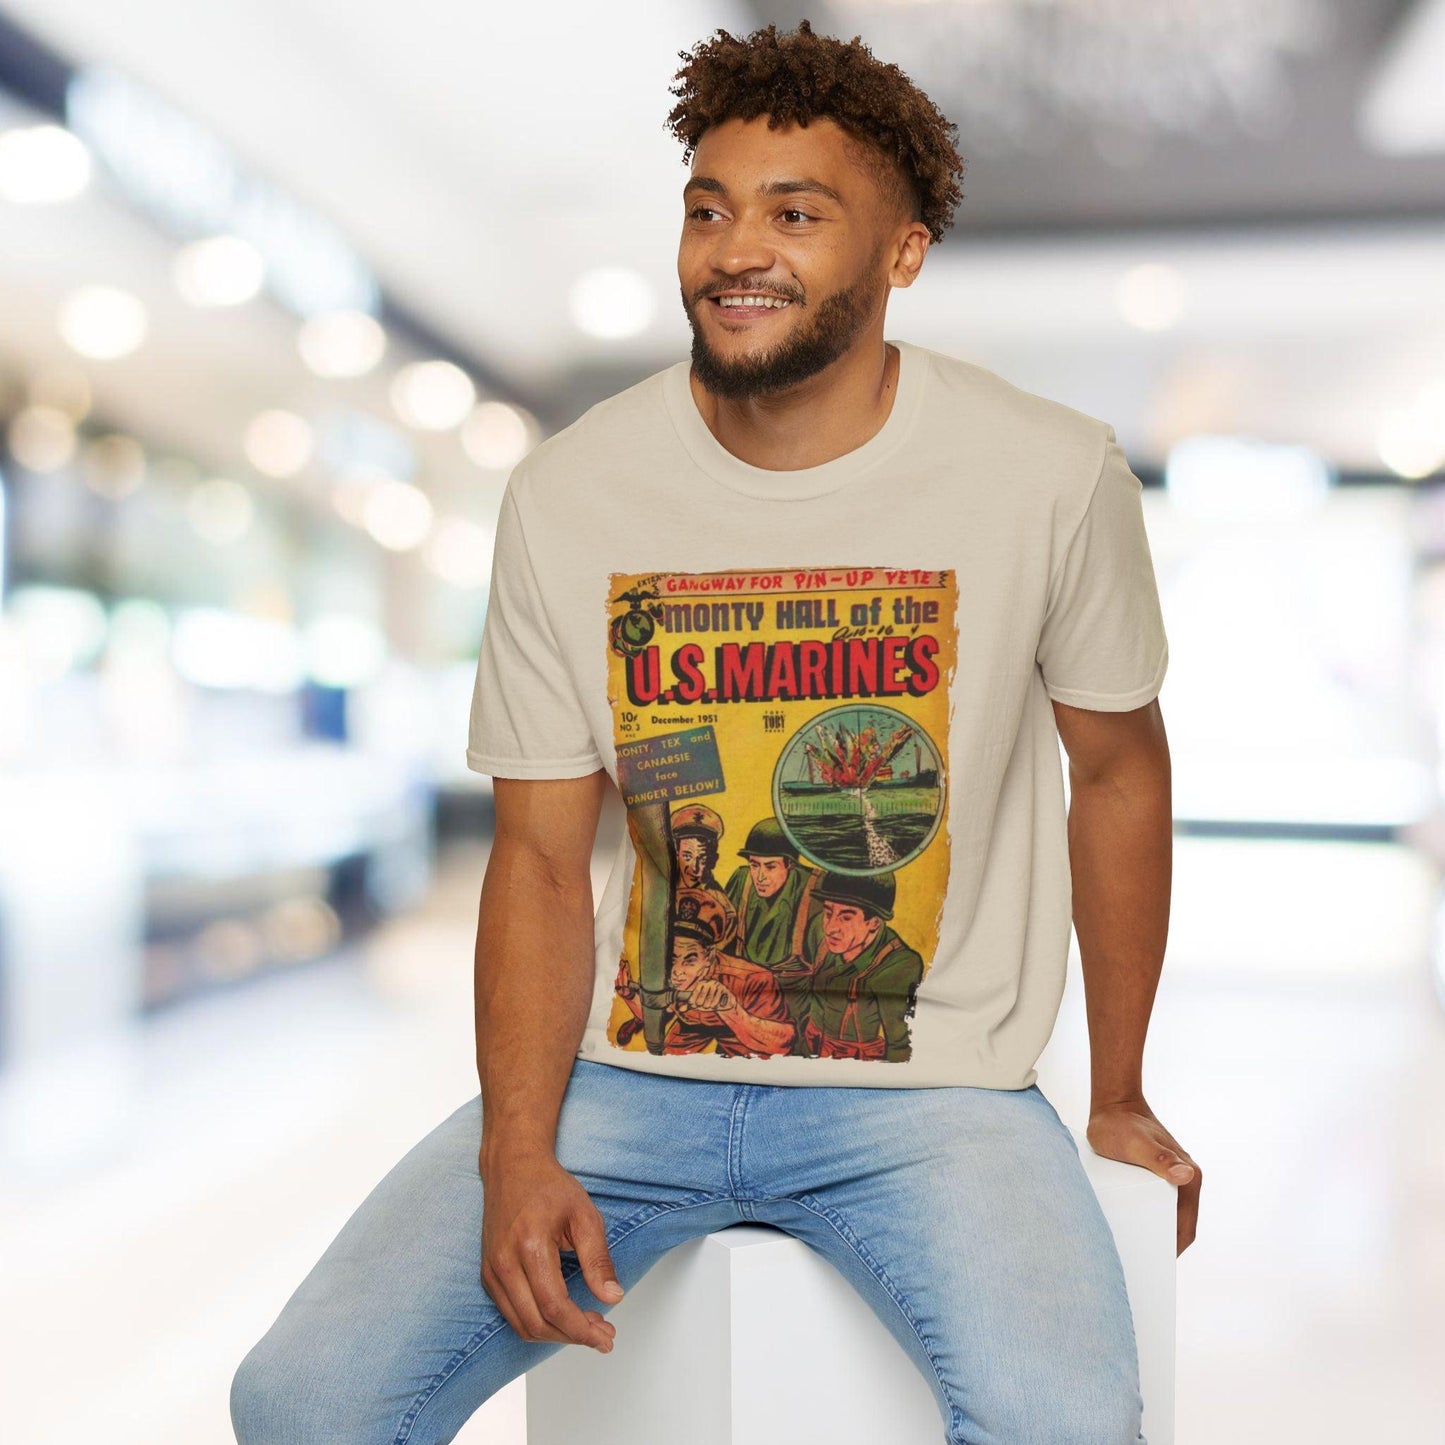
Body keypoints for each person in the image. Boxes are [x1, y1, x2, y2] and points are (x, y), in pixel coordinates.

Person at [230, 19, 1200, 1445]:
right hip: (628, 1080)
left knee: (1065, 1424)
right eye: (707, 206)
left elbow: (1116, 773)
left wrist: (1115, 1092)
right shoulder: (574, 493)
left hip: (935, 1092)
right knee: (304, 1400)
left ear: (901, 256)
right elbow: (540, 857)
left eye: (795, 213)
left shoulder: (1046, 475)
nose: (735, 247)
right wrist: (517, 1145)